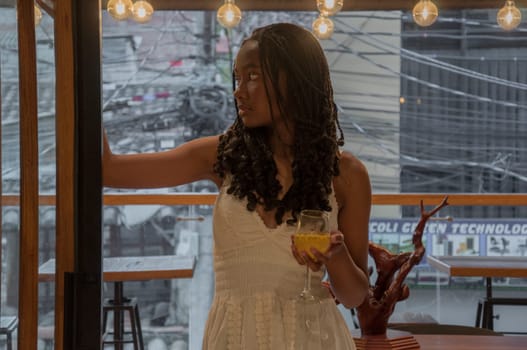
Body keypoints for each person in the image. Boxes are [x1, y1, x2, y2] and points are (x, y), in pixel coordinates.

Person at [103, 22, 371, 350]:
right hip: (234, 337)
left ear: (296, 79)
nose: (238, 91)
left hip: (314, 336)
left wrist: (336, 254)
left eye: (253, 76)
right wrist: (83, 79)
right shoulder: (221, 156)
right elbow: (109, 171)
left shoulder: (347, 174)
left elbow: (355, 295)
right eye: (238, 77)